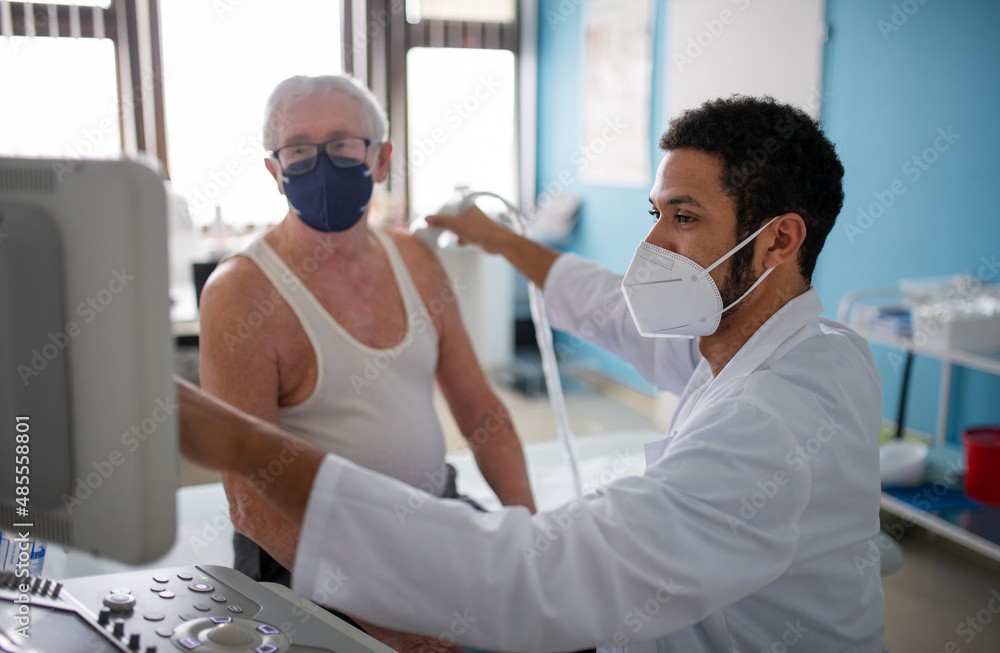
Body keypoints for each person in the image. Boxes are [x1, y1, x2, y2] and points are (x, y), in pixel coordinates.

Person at [182, 95, 886, 652]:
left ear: (779, 240)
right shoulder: (798, 343)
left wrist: (243, 445)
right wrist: (494, 236)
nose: (649, 244)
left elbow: (544, 573)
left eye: (683, 216)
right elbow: (609, 307)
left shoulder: (770, 417)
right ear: (271, 167)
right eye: (654, 212)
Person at [197, 74, 535, 650]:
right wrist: (388, 624)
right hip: (307, 547)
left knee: (559, 627)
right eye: (299, 150)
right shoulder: (241, 293)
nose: (322, 164)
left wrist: (530, 541)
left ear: (381, 159)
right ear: (275, 173)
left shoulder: (417, 262)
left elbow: (482, 412)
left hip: (430, 511)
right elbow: (250, 501)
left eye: (344, 145)